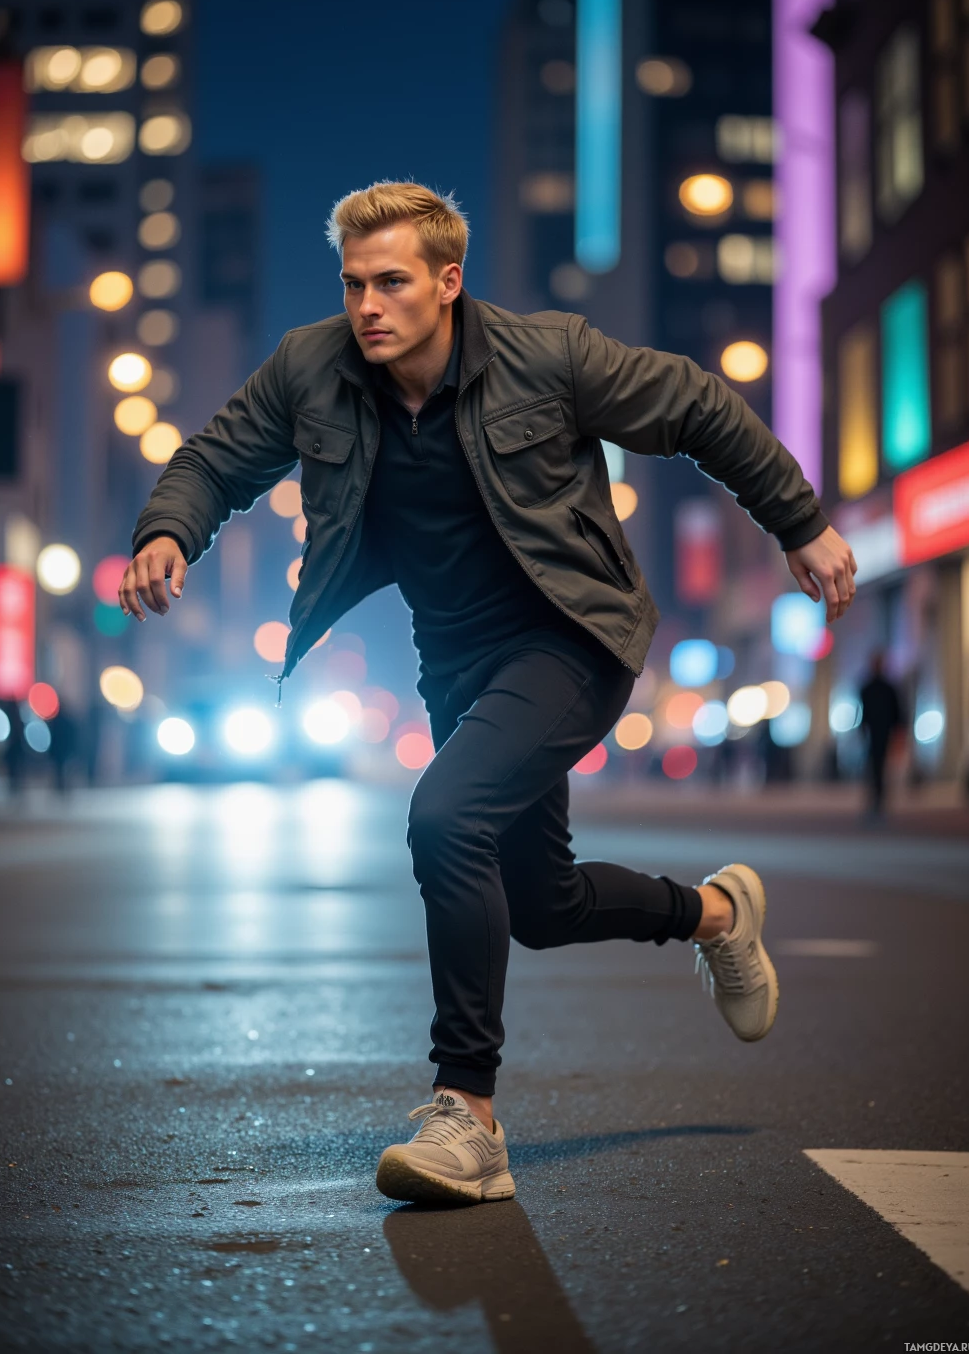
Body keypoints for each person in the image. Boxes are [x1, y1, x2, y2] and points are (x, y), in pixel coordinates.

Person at [120, 183, 857, 1207]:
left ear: (447, 283)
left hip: (573, 638)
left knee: (446, 817)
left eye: (391, 283)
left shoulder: (543, 356)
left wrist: (799, 523)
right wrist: (169, 531)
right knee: (541, 906)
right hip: (457, 662)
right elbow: (215, 457)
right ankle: (717, 914)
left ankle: (467, 1114)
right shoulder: (313, 368)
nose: (367, 306)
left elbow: (692, 403)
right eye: (353, 284)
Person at [858, 651, 904, 814]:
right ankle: (875, 797)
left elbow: (897, 711)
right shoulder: (868, 687)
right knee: (874, 765)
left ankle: (880, 797)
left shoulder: (887, 688)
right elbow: (862, 711)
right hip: (873, 732)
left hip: (884, 731)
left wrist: (899, 730)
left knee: (882, 765)